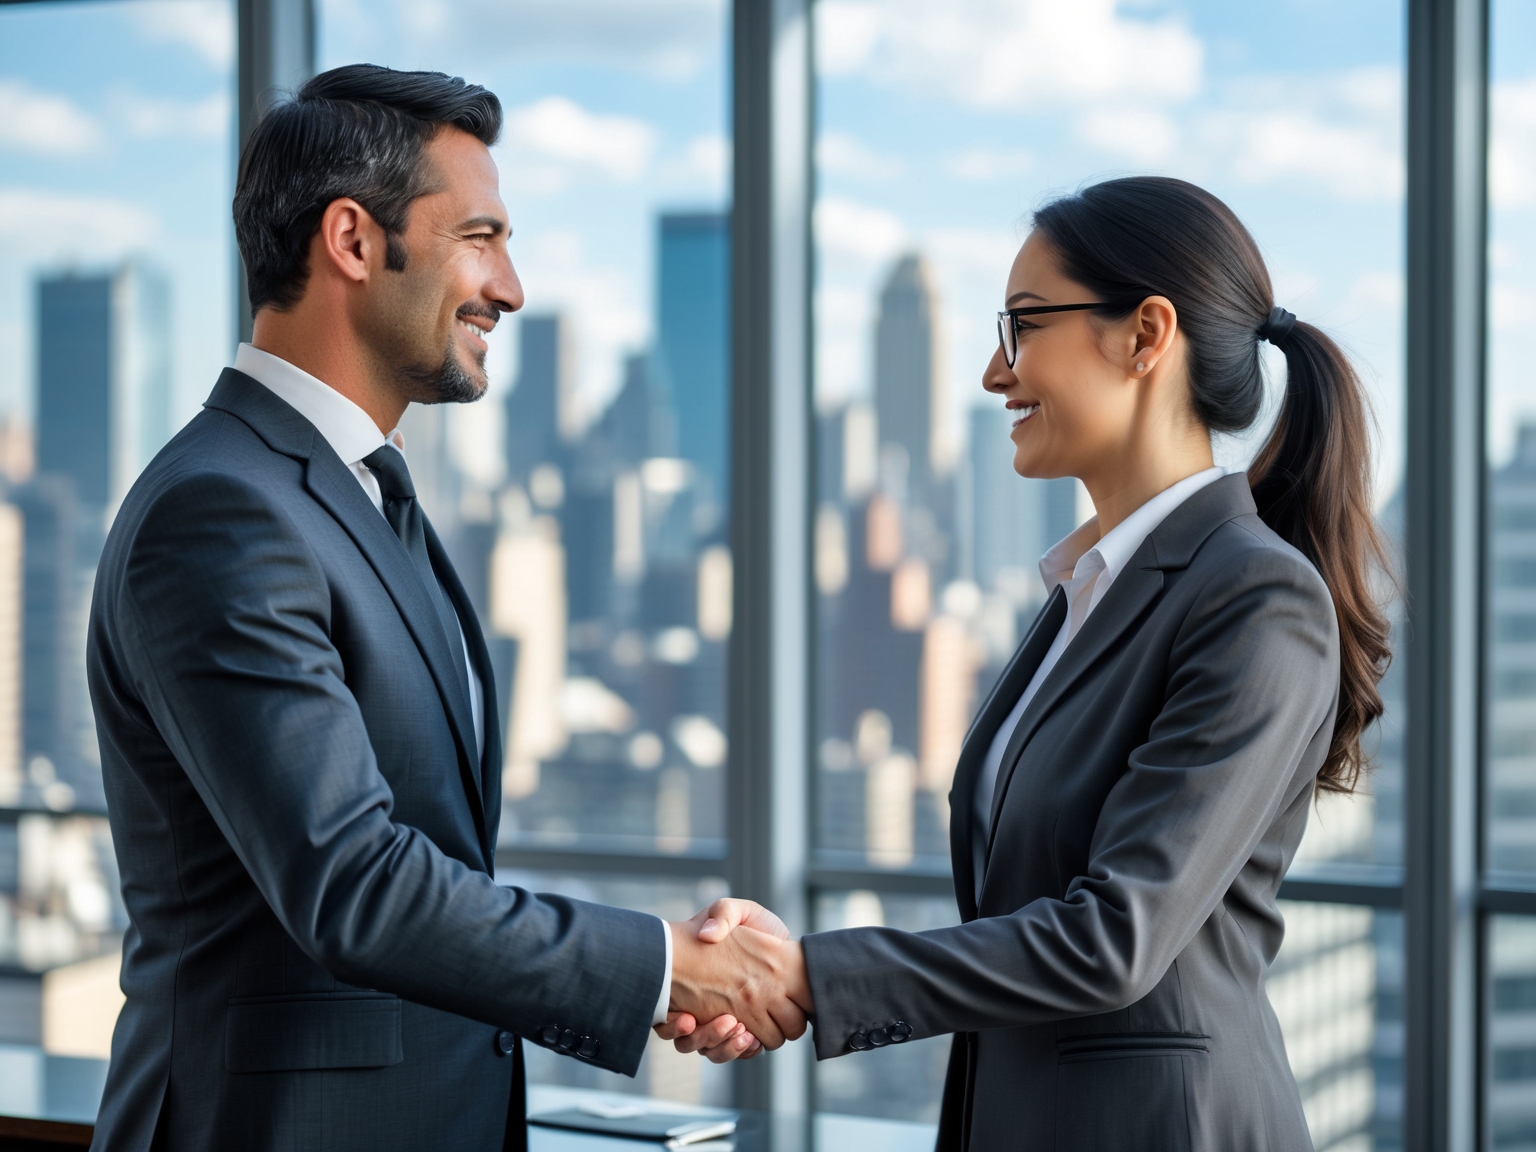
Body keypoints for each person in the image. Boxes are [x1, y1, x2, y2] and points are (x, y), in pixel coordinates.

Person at [86, 64, 798, 1152]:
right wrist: (663, 965)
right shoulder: (223, 511)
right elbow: (353, 881)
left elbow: (434, 852)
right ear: (355, 243)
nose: (509, 288)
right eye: (482, 236)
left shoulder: (357, 496)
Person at [663, 176, 1393, 1151]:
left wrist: (805, 976)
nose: (991, 374)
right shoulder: (1088, 592)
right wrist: (782, 961)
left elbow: (1113, 937)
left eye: (1022, 327)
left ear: (1145, 335)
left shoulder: (1256, 596)